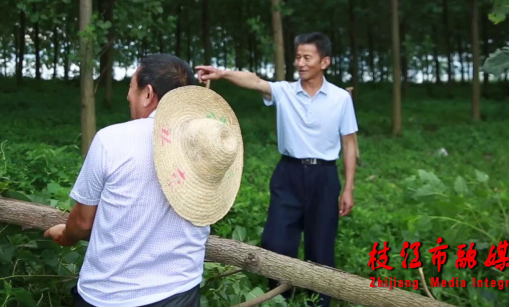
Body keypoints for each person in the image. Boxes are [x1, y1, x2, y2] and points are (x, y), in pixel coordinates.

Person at [44, 53, 244, 307]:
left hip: (110, 296)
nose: (128, 96)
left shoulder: (111, 140)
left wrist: (66, 236)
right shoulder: (206, 145)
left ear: (148, 94)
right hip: (182, 292)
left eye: (131, 87)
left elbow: (83, 223)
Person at [196, 32, 358, 306]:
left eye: (307, 57)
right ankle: (281, 298)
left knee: (321, 246)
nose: (300, 63)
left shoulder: (340, 98)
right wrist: (222, 74)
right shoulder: (285, 92)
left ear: (325, 62)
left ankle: (320, 301)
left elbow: (349, 143)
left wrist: (349, 187)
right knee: (276, 242)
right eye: (298, 57)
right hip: (288, 174)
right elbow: (254, 81)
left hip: (324, 176)